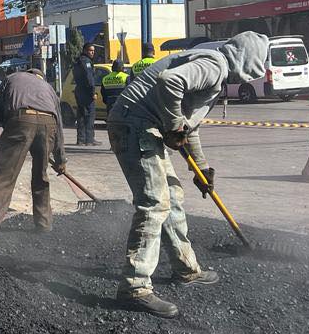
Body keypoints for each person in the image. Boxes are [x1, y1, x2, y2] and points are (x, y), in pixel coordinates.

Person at [106, 31, 269, 318]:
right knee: (155, 203)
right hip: (135, 124)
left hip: (142, 124)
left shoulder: (213, 67)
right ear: (249, 62)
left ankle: (186, 268)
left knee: (173, 195)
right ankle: (134, 287)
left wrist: (202, 168)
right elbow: (170, 82)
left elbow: (187, 125)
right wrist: (172, 127)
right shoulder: (215, 64)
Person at [0, 67, 66, 244]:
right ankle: (44, 223)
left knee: (5, 177)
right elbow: (59, 124)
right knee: (41, 176)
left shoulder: (12, 78)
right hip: (48, 124)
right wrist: (61, 158)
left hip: (22, 119)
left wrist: (9, 125)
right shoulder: (48, 87)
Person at [73, 42, 97, 146]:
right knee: (89, 116)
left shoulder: (78, 61)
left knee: (81, 116)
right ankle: (89, 140)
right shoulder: (86, 62)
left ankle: (81, 139)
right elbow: (89, 78)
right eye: (90, 51)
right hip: (86, 92)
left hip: (79, 91)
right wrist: (92, 92)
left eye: (93, 51)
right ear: (85, 51)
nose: (92, 53)